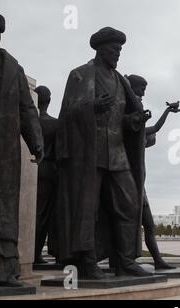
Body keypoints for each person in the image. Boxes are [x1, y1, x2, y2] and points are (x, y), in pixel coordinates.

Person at [55, 27, 151, 279]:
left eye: (120, 50)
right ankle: (86, 260)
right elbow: (67, 113)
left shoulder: (121, 81)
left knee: (129, 205)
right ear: (100, 49)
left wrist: (134, 120)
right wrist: (92, 106)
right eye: (114, 49)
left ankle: (124, 261)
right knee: (88, 208)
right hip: (89, 153)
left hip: (117, 154)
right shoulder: (80, 75)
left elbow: (124, 119)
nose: (117, 54)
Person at [0, 13, 44, 287]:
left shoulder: (13, 69)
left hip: (4, 151)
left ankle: (4, 269)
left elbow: (28, 110)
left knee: (3, 209)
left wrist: (36, 141)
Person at [126, 74, 179, 270]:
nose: (144, 92)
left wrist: (167, 110)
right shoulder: (129, 117)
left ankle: (158, 261)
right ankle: (125, 262)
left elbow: (155, 127)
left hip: (140, 184)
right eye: (141, 88)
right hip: (129, 181)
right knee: (133, 225)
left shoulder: (138, 124)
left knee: (148, 225)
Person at [34, 86, 59, 264]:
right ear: (49, 101)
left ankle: (31, 253)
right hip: (49, 170)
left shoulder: (28, 121)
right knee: (43, 215)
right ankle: (35, 253)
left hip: (30, 168)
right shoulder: (55, 124)